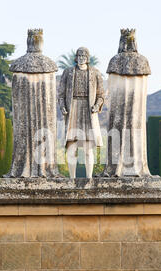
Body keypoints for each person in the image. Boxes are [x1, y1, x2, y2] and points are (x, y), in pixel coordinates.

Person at [58, 47, 105, 179]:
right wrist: (62, 106)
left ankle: (89, 178)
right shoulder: (68, 72)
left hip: (88, 110)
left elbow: (101, 94)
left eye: (84, 56)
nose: (81, 58)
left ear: (88, 58)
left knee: (89, 148)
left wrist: (97, 105)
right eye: (79, 56)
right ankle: (72, 179)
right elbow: (60, 94)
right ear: (76, 57)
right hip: (72, 109)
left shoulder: (95, 73)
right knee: (71, 147)